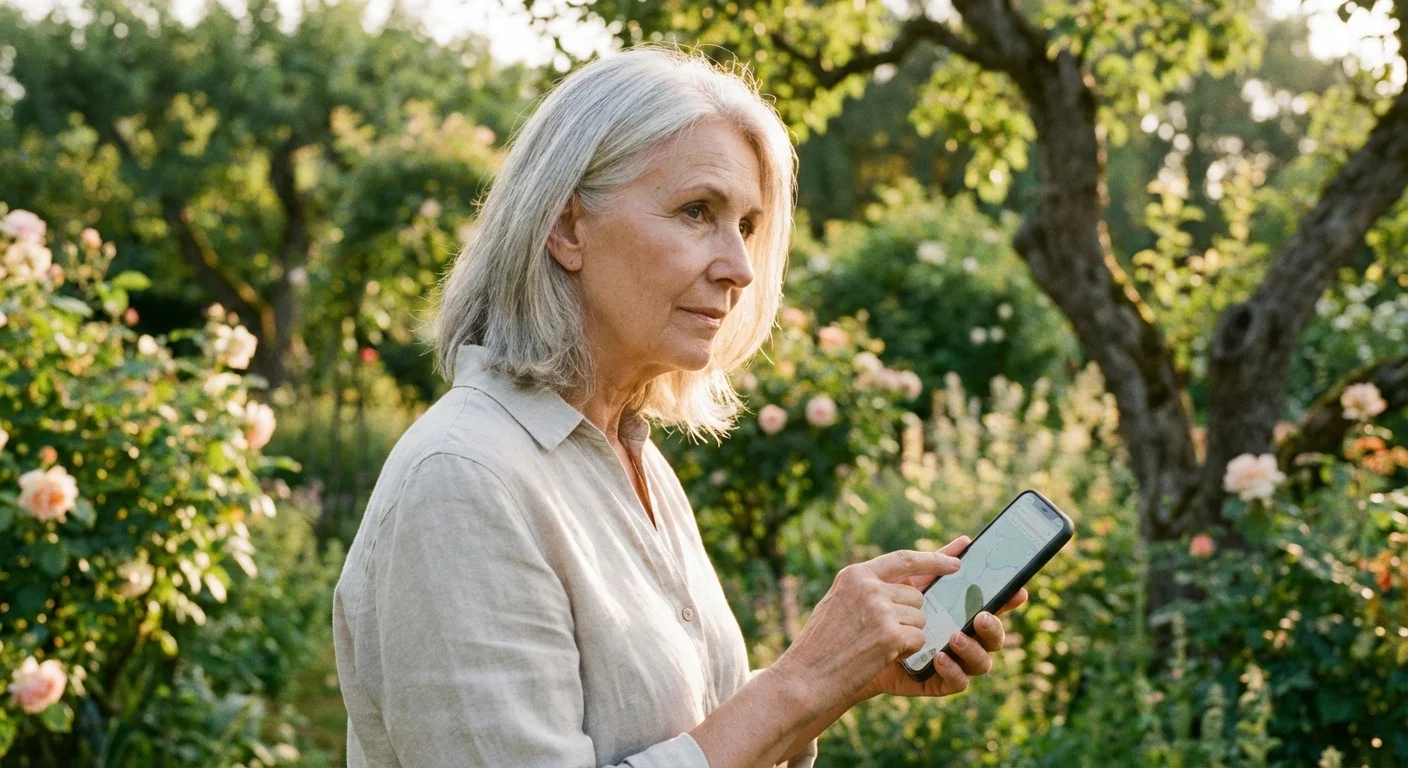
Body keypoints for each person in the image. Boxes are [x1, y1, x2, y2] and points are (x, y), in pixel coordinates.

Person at [331, 45, 1026, 768]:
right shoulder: (465, 480)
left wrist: (841, 679)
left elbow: (667, 738)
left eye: (748, 226)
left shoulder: (632, 458)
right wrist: (801, 681)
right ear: (568, 229)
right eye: (698, 211)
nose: (740, 268)